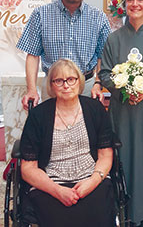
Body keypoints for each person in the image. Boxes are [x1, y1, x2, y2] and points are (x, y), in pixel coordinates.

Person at [99, 0, 143, 226]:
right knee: (123, 159)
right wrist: (125, 89)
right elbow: (104, 73)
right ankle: (122, 213)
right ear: (123, 5)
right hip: (122, 112)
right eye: (130, 0)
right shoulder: (114, 39)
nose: (135, 4)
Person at [20, 59, 115, 227]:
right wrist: (57, 191)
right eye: (59, 80)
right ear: (51, 85)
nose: (66, 85)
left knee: (99, 209)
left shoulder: (95, 110)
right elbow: (28, 169)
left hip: (90, 176)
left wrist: (91, 182)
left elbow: (106, 155)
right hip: (51, 181)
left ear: (79, 81)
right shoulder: (38, 116)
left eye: (71, 79)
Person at [16, 0, 111, 108]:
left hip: (86, 87)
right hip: (53, 87)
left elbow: (102, 56)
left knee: (86, 130)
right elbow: (32, 55)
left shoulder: (98, 17)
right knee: (51, 129)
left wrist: (97, 84)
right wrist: (32, 90)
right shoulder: (41, 15)